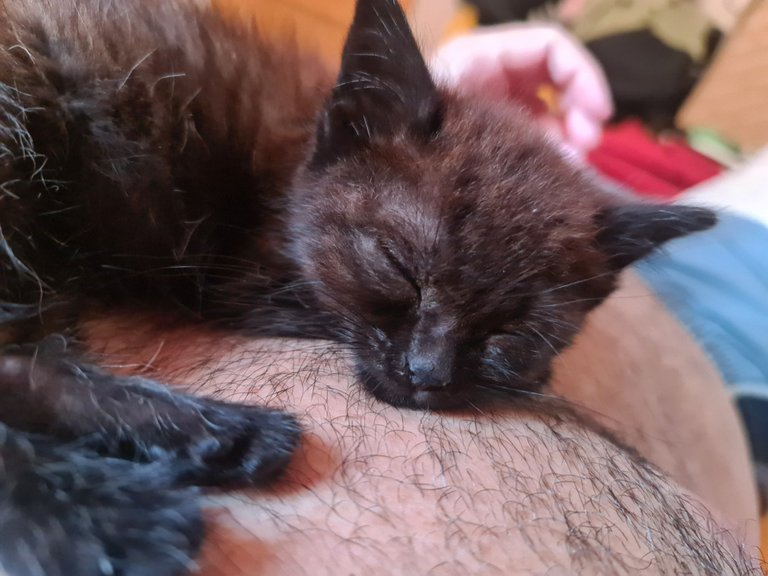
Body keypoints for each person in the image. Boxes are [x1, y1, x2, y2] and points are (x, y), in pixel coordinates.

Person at [77, 12, 763, 574]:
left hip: (709, 291)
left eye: (509, 337)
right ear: (347, 132)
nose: (427, 369)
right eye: (396, 281)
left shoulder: (567, 245)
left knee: (733, 220)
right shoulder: (350, 170)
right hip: (726, 311)